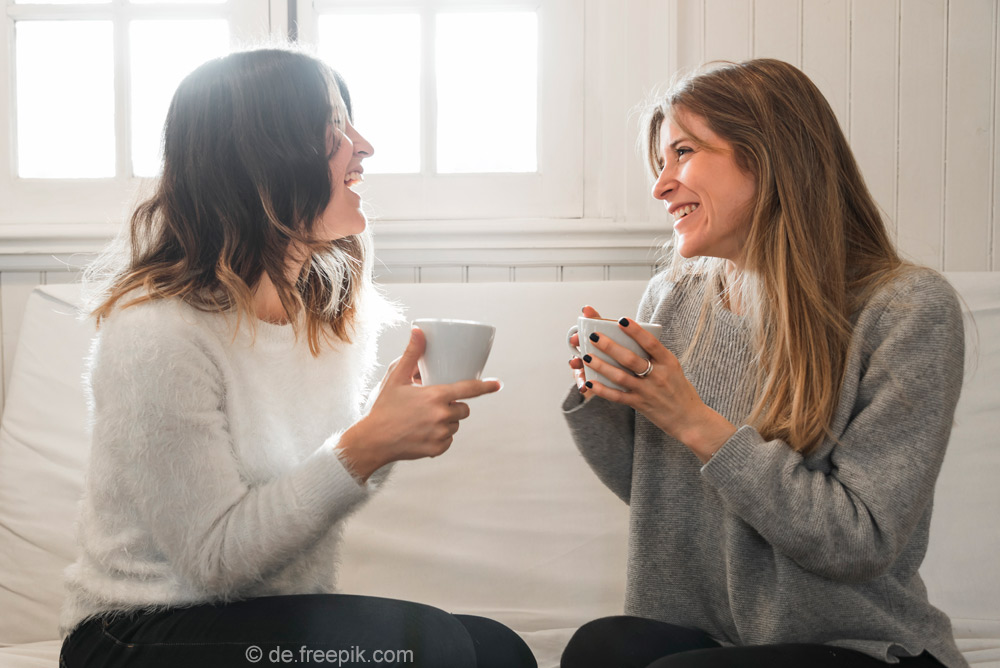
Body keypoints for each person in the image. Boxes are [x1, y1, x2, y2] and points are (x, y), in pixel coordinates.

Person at [58, 47, 536, 668]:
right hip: (139, 633)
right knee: (436, 648)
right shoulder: (157, 334)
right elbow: (214, 562)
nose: (363, 146)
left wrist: (384, 431)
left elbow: (316, 484)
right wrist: (366, 443)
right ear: (260, 158)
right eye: (335, 126)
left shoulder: (326, 314)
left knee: (498, 651)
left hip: (265, 619)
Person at [561, 58, 967, 668]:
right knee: (599, 649)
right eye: (661, 162)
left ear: (769, 157)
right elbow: (663, 502)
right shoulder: (674, 298)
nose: (661, 185)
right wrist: (609, 398)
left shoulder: (904, 308)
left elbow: (859, 542)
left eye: (684, 153)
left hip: (858, 645)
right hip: (713, 637)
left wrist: (693, 419)